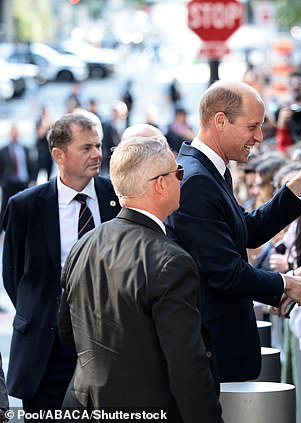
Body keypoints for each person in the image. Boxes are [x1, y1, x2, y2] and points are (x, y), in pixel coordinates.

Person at [165, 80, 301, 383]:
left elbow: (244, 230)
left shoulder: (208, 171)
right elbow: (225, 272)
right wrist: (286, 284)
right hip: (212, 348)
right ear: (220, 121)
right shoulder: (196, 180)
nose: (260, 137)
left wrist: (298, 185)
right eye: (252, 127)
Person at [58, 125, 223, 422]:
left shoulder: (84, 244)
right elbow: (187, 366)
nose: (181, 181)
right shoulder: (171, 262)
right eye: (178, 174)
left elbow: (67, 333)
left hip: (84, 403)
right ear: (160, 184)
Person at [2, 113, 120, 421]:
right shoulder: (25, 206)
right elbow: (13, 275)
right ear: (58, 154)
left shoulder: (115, 198)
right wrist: (43, 312)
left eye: (99, 145)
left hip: (107, 345)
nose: (97, 154)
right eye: (86, 148)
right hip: (46, 349)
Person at [0, 124, 36, 219]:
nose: (15, 135)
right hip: (9, 183)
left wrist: (32, 179)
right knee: (5, 207)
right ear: (10, 134)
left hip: (23, 182)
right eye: (13, 133)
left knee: (24, 206)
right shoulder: (4, 150)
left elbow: (32, 165)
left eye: (16, 133)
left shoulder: (25, 149)